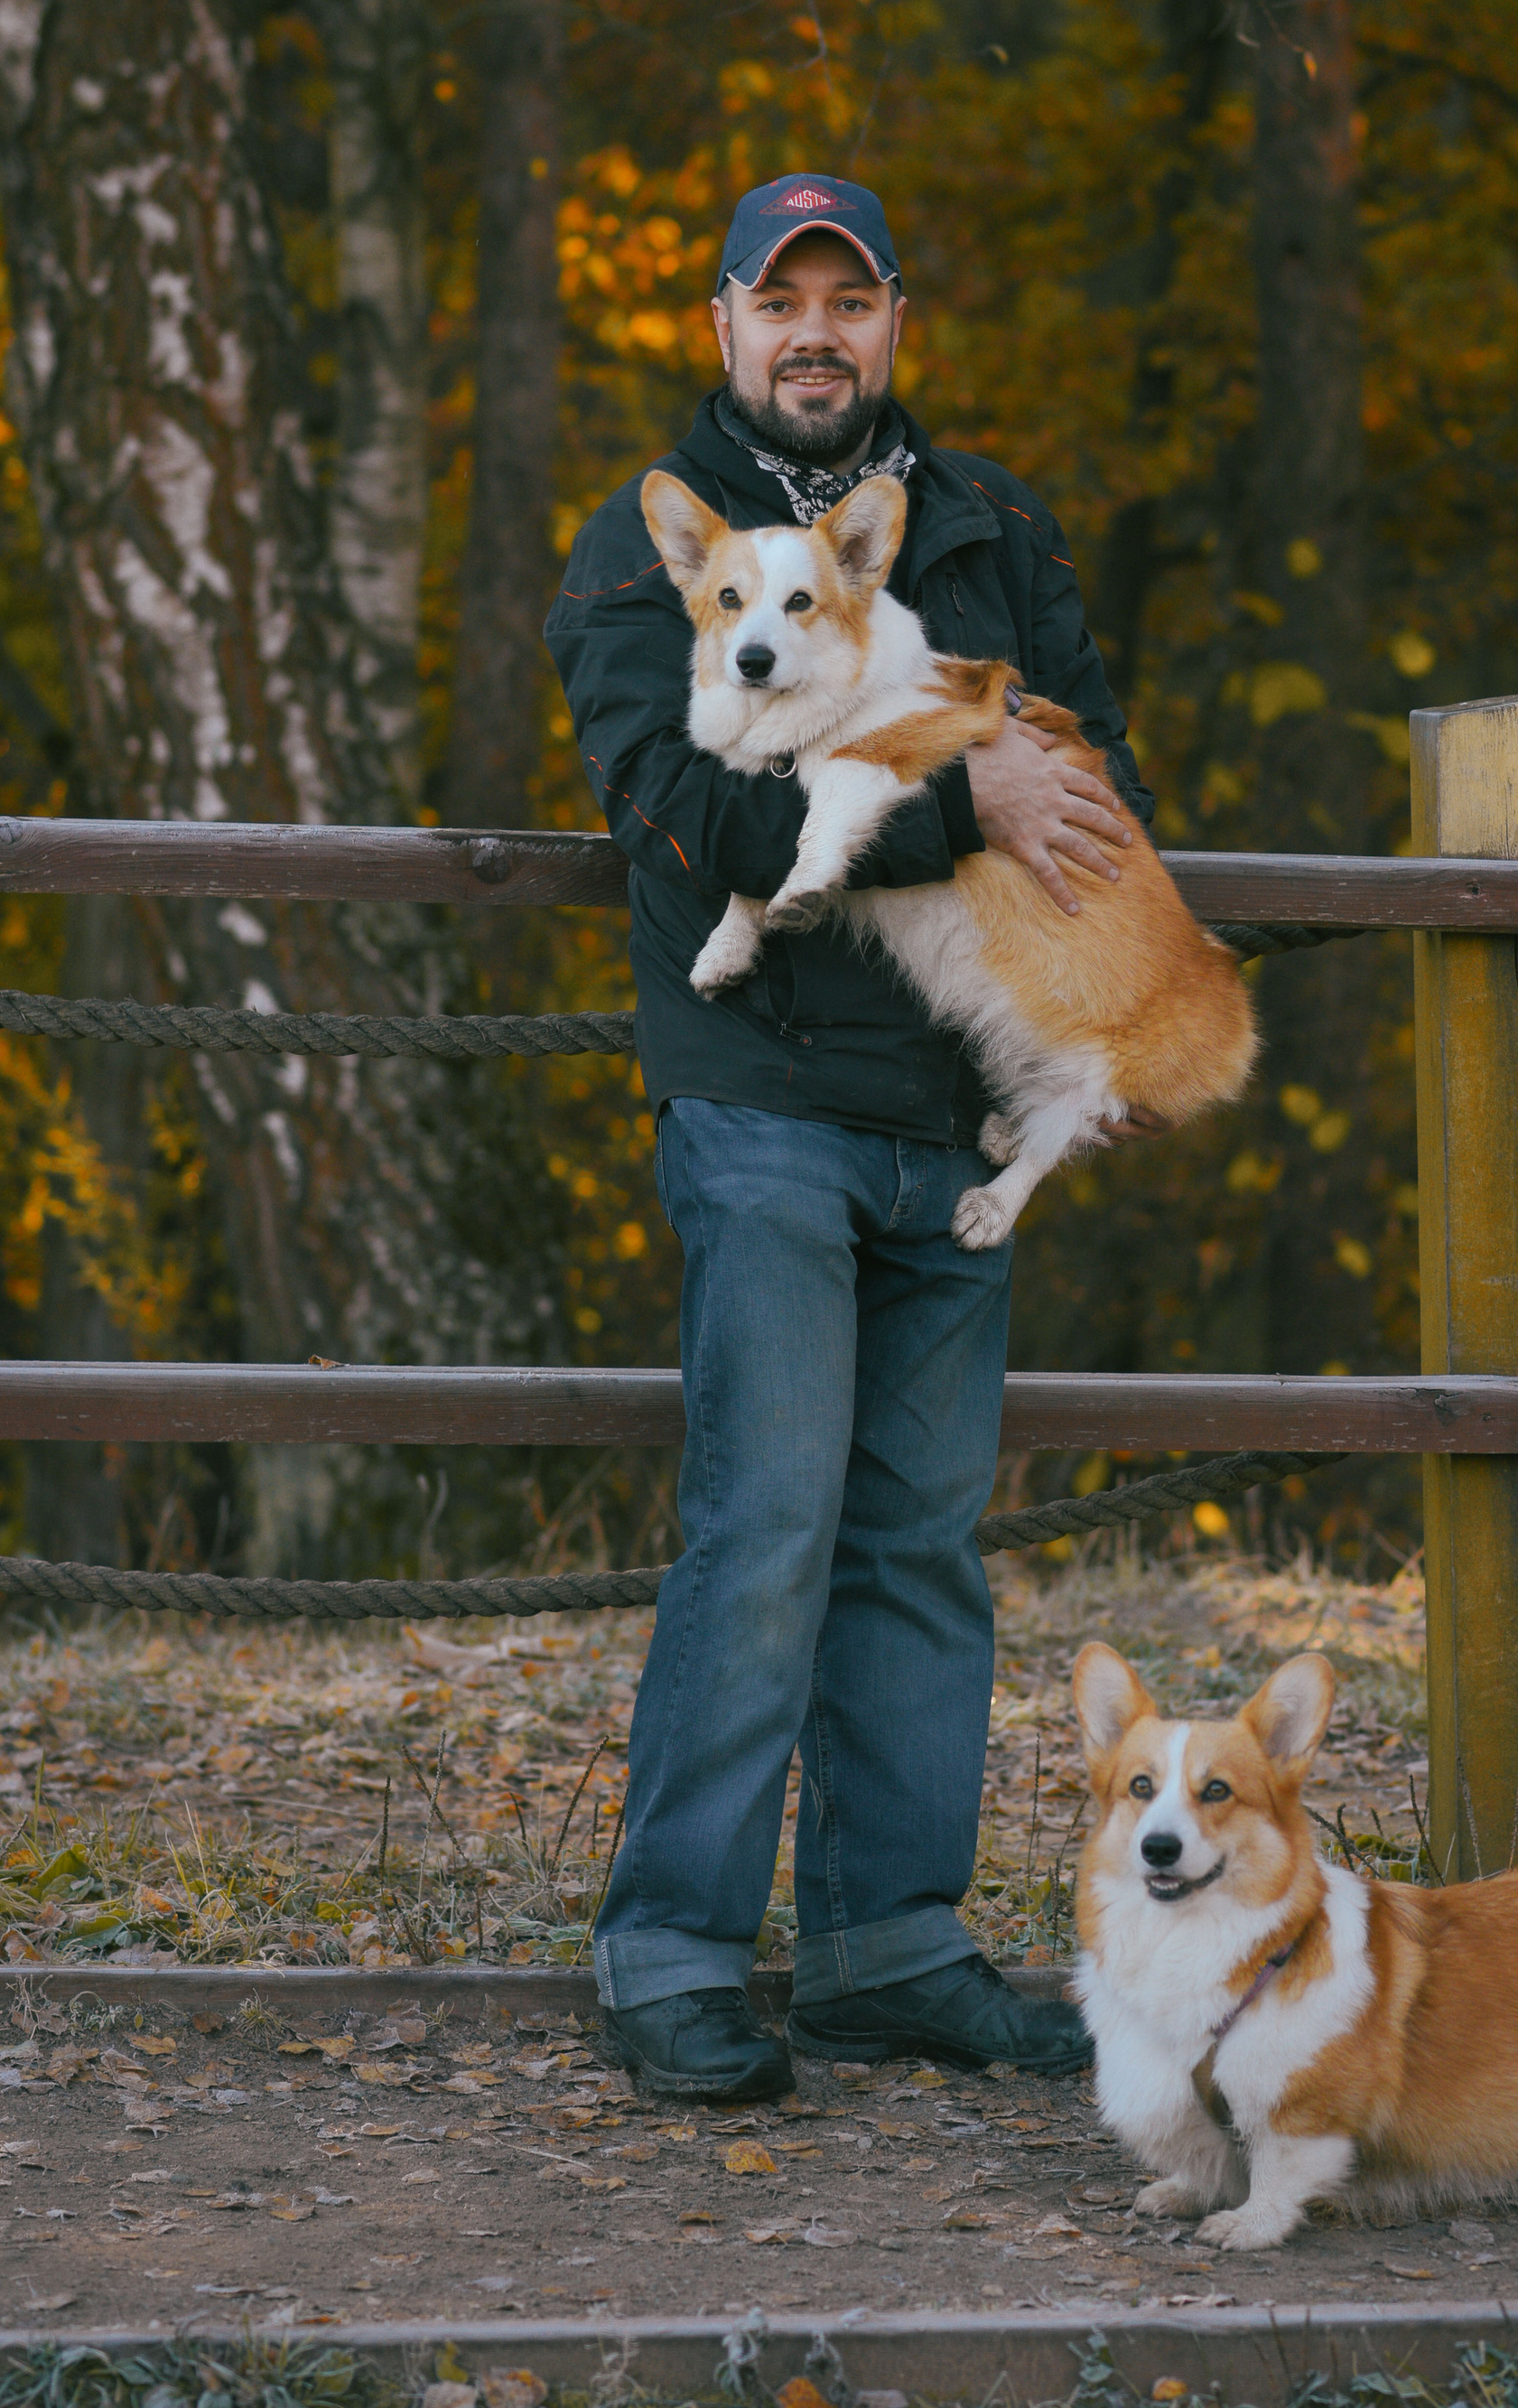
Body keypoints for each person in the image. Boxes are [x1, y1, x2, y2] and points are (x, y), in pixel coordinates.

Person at [545, 172, 1151, 2103]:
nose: (816, 332)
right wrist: (966, 792)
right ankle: (671, 1953)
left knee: (918, 1547)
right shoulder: (648, 545)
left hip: (954, 1106)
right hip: (762, 1102)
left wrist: (1090, 962)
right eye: (779, 298)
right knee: (769, 1528)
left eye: (850, 298)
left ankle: (888, 1944)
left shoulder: (982, 526)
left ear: (894, 322)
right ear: (723, 324)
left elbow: (1096, 774)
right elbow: (698, 823)